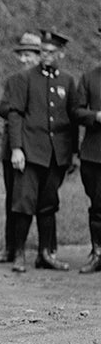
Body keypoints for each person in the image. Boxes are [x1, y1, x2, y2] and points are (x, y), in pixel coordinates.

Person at [2, 29, 78, 273]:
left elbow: (72, 120)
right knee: (23, 202)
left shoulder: (67, 81)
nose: (46, 56)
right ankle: (20, 254)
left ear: (61, 54)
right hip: (30, 152)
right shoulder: (26, 79)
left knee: (48, 204)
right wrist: (16, 149)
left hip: (57, 154)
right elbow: (15, 114)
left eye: (51, 52)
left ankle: (45, 254)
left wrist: (73, 153)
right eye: (43, 51)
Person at [0, 33, 44, 265]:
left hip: (39, 148)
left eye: (29, 54)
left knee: (38, 202)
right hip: (13, 147)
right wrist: (18, 109)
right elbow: (3, 108)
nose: (24, 59)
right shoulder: (14, 80)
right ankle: (10, 248)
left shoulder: (45, 83)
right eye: (22, 55)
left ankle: (44, 251)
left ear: (39, 56)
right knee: (12, 198)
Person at [74, 28, 101, 273]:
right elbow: (77, 111)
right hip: (94, 154)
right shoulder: (90, 77)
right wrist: (97, 116)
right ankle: (97, 252)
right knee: (97, 203)